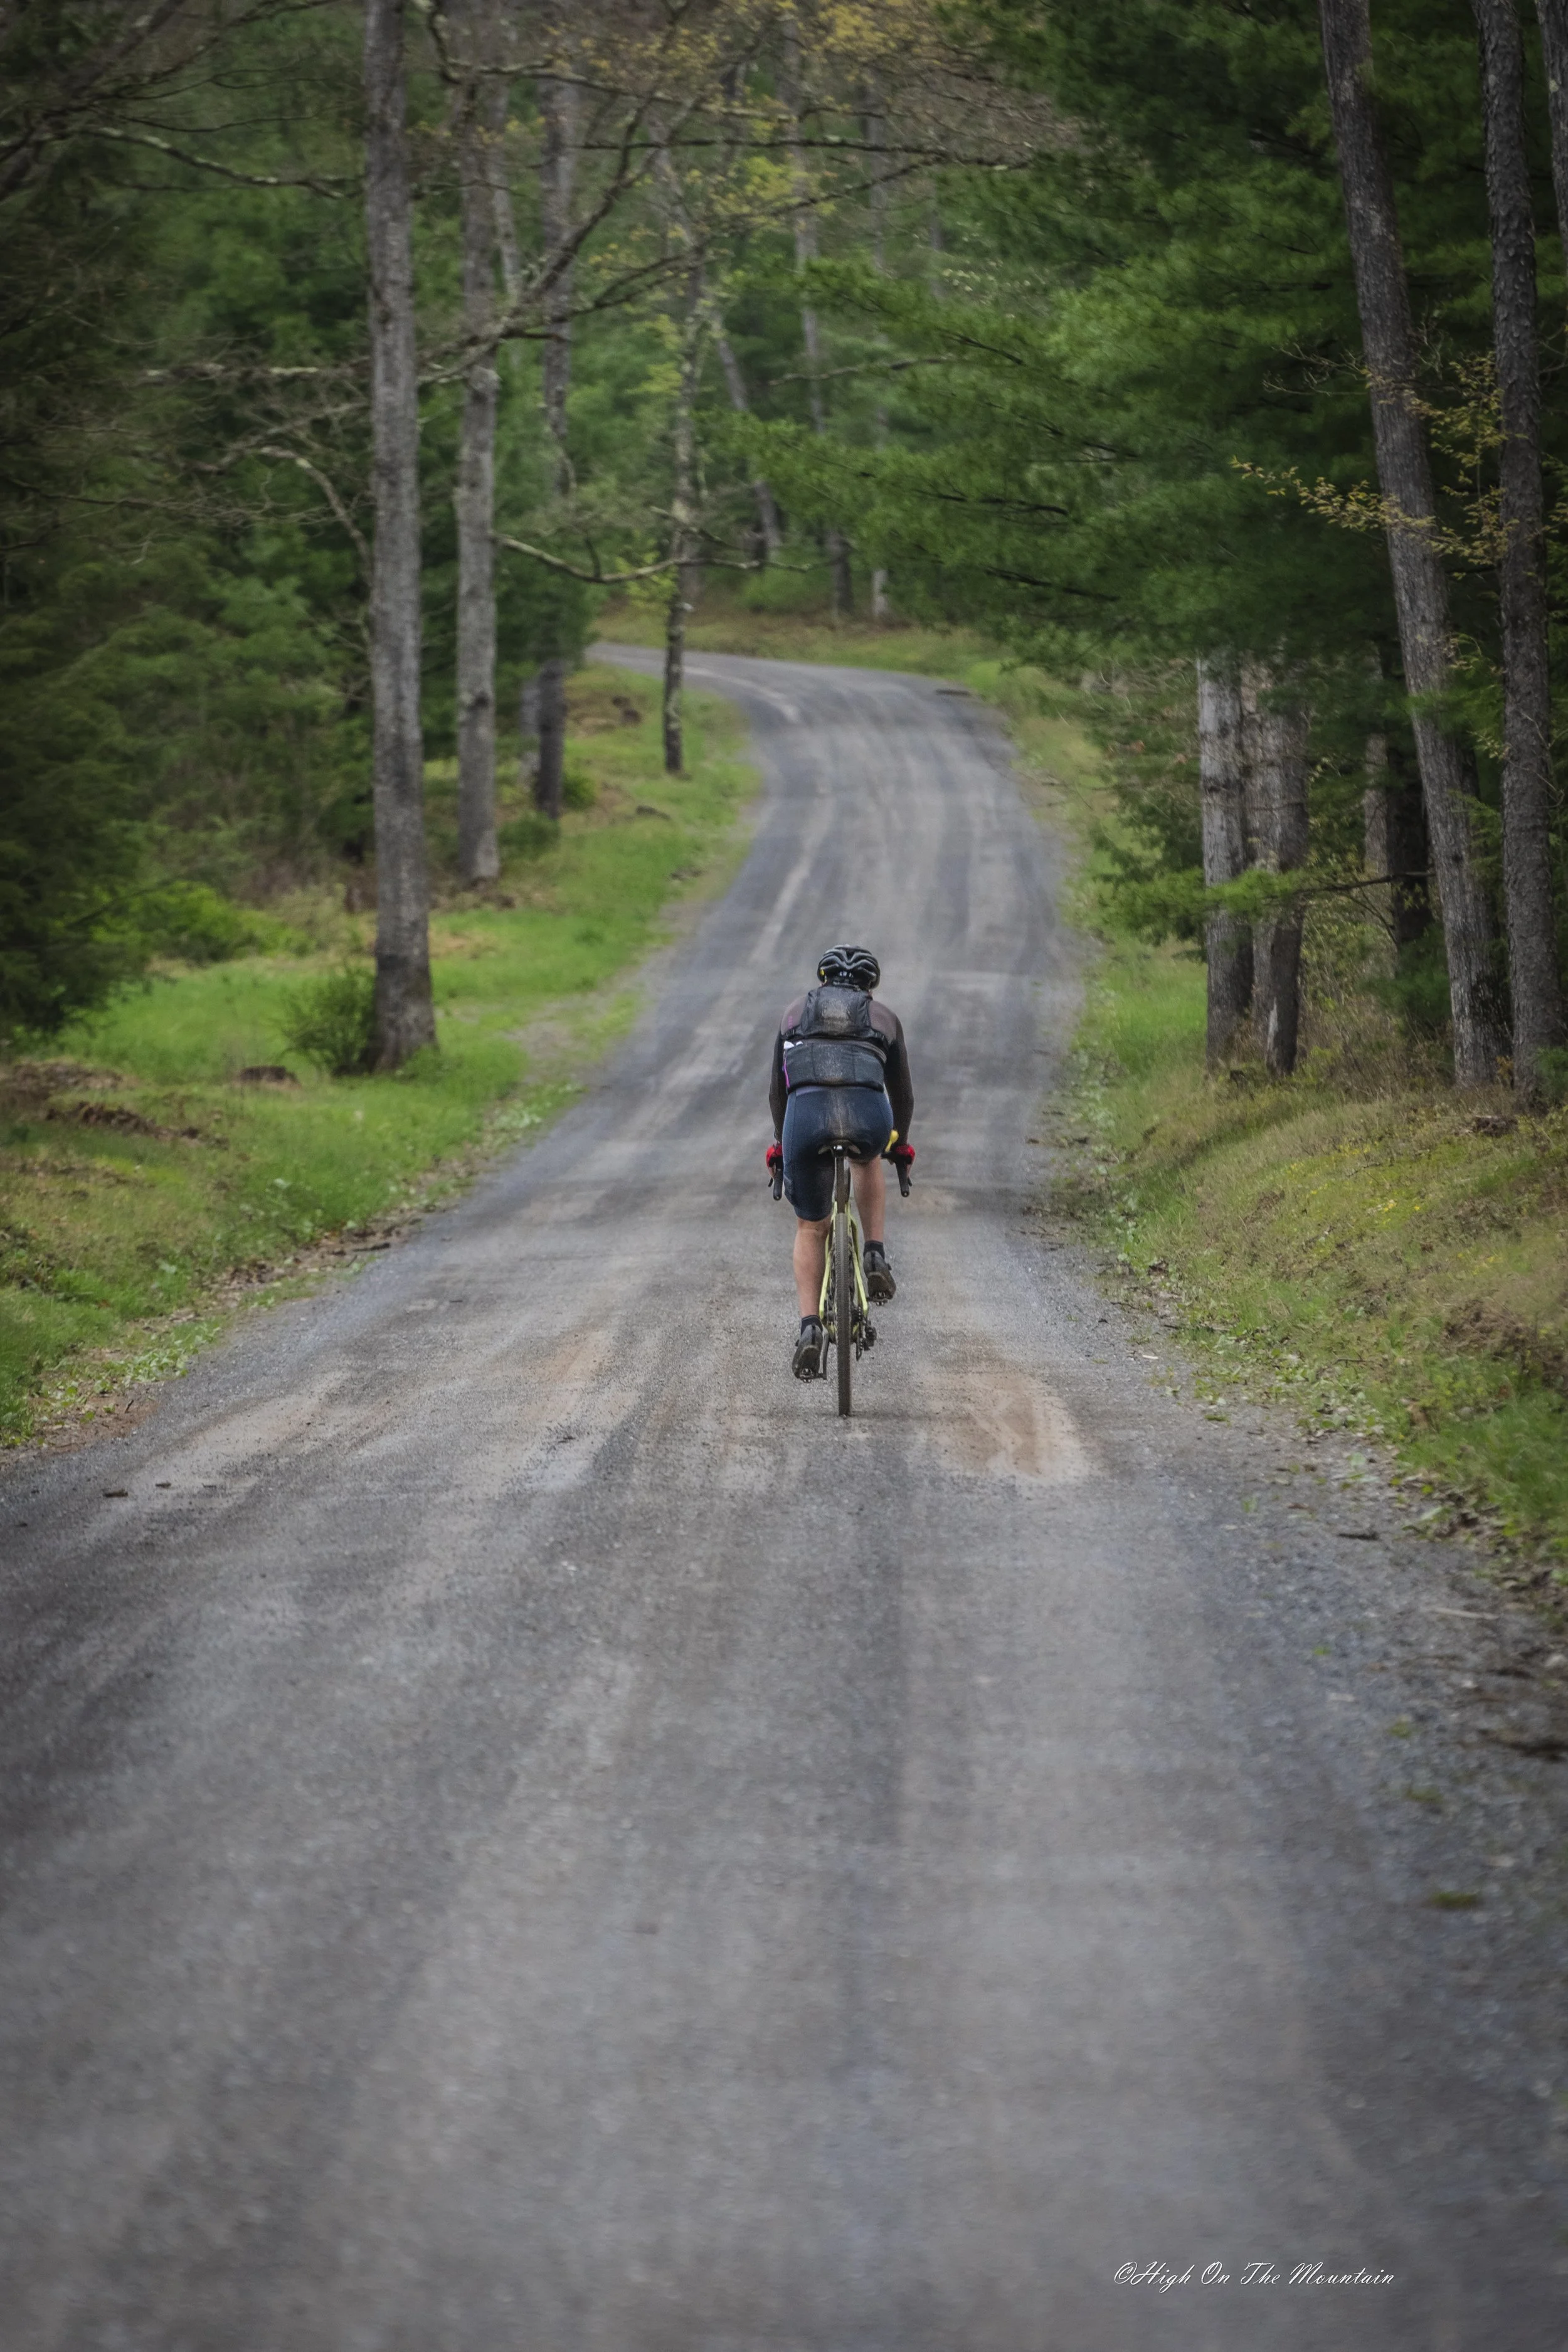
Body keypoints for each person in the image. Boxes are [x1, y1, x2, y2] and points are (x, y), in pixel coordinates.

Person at [767, 945, 914, 1379]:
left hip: (806, 1116)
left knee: (811, 1226)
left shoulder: (794, 1013)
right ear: (870, 987)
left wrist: (780, 1143)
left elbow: (778, 1093)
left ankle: (810, 1327)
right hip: (866, 1115)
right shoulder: (885, 1018)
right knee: (867, 1158)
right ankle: (874, 1254)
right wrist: (899, 1146)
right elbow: (903, 1095)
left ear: (823, 980)